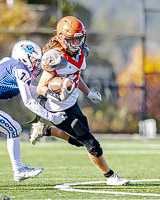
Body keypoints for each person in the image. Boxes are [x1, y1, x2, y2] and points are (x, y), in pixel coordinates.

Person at [29, 16, 130, 186]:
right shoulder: (55, 57)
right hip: (57, 109)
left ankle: (44, 130)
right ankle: (111, 176)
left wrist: (88, 92)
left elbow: (76, 76)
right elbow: (41, 87)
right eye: (72, 39)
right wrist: (56, 94)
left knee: (78, 141)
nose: (76, 43)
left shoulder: (81, 53)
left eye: (79, 38)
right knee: (92, 144)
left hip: (72, 104)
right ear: (61, 38)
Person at [0, 40, 66, 183]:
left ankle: (19, 170)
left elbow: (29, 90)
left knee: (13, 128)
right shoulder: (20, 69)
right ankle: (19, 170)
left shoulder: (10, 64)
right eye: (35, 61)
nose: (37, 65)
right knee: (13, 128)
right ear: (25, 58)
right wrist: (51, 117)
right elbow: (28, 101)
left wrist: (46, 92)